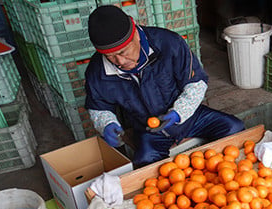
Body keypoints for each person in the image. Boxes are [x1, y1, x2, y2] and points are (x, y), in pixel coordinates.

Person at [85, 5, 245, 167]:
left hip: (189, 118)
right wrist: (106, 124)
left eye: (123, 52)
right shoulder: (97, 71)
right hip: (148, 129)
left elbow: (196, 83)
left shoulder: (168, 43)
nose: (119, 61)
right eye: (110, 56)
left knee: (234, 128)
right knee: (145, 163)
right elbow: (98, 107)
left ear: (135, 34)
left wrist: (178, 113)